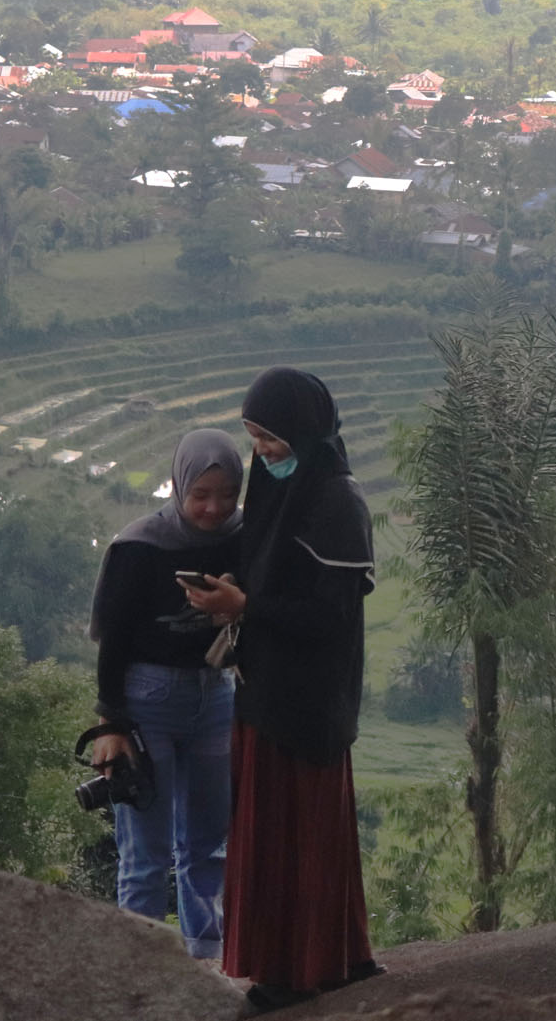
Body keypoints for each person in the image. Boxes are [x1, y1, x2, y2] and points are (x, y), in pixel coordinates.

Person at [183, 366, 380, 1008]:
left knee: (298, 835)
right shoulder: (277, 489)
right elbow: (266, 586)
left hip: (309, 700)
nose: (264, 451)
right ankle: (324, 958)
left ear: (304, 430)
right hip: (268, 688)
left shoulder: (336, 502)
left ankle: (292, 973)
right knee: (282, 833)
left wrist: (247, 607)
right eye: (255, 437)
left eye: (272, 438)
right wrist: (232, 603)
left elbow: (329, 618)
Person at [88, 429, 246, 961]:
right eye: (200, 495)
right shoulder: (140, 545)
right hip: (147, 699)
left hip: (215, 694)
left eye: (226, 495)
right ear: (178, 486)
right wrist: (111, 725)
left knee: (210, 846)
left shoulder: (245, 535)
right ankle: (142, 970)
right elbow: (114, 639)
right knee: (146, 853)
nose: (213, 508)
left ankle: (208, 962)